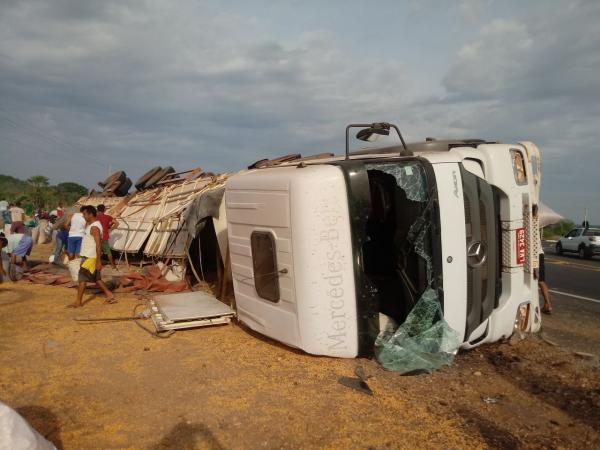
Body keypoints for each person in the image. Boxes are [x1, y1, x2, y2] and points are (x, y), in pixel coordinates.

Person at [70, 205, 115, 308]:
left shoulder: (94, 227)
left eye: (85, 214)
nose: (84, 216)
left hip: (90, 258)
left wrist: (98, 261)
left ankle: (78, 302)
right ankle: (109, 294)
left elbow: (98, 244)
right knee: (96, 278)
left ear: (90, 214)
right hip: (89, 256)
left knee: (82, 279)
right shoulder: (92, 225)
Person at [533, 204, 552, 314]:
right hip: (539, 254)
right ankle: (547, 305)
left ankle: (546, 304)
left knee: (537, 280)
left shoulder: (532, 222)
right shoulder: (536, 223)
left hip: (535, 255)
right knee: (541, 281)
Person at [96, 204, 119, 270]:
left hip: (96, 237)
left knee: (98, 251)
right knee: (108, 252)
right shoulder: (108, 217)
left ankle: (98, 264)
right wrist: (110, 229)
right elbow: (117, 223)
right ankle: (113, 265)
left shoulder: (95, 217)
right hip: (104, 236)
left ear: (97, 210)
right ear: (104, 210)